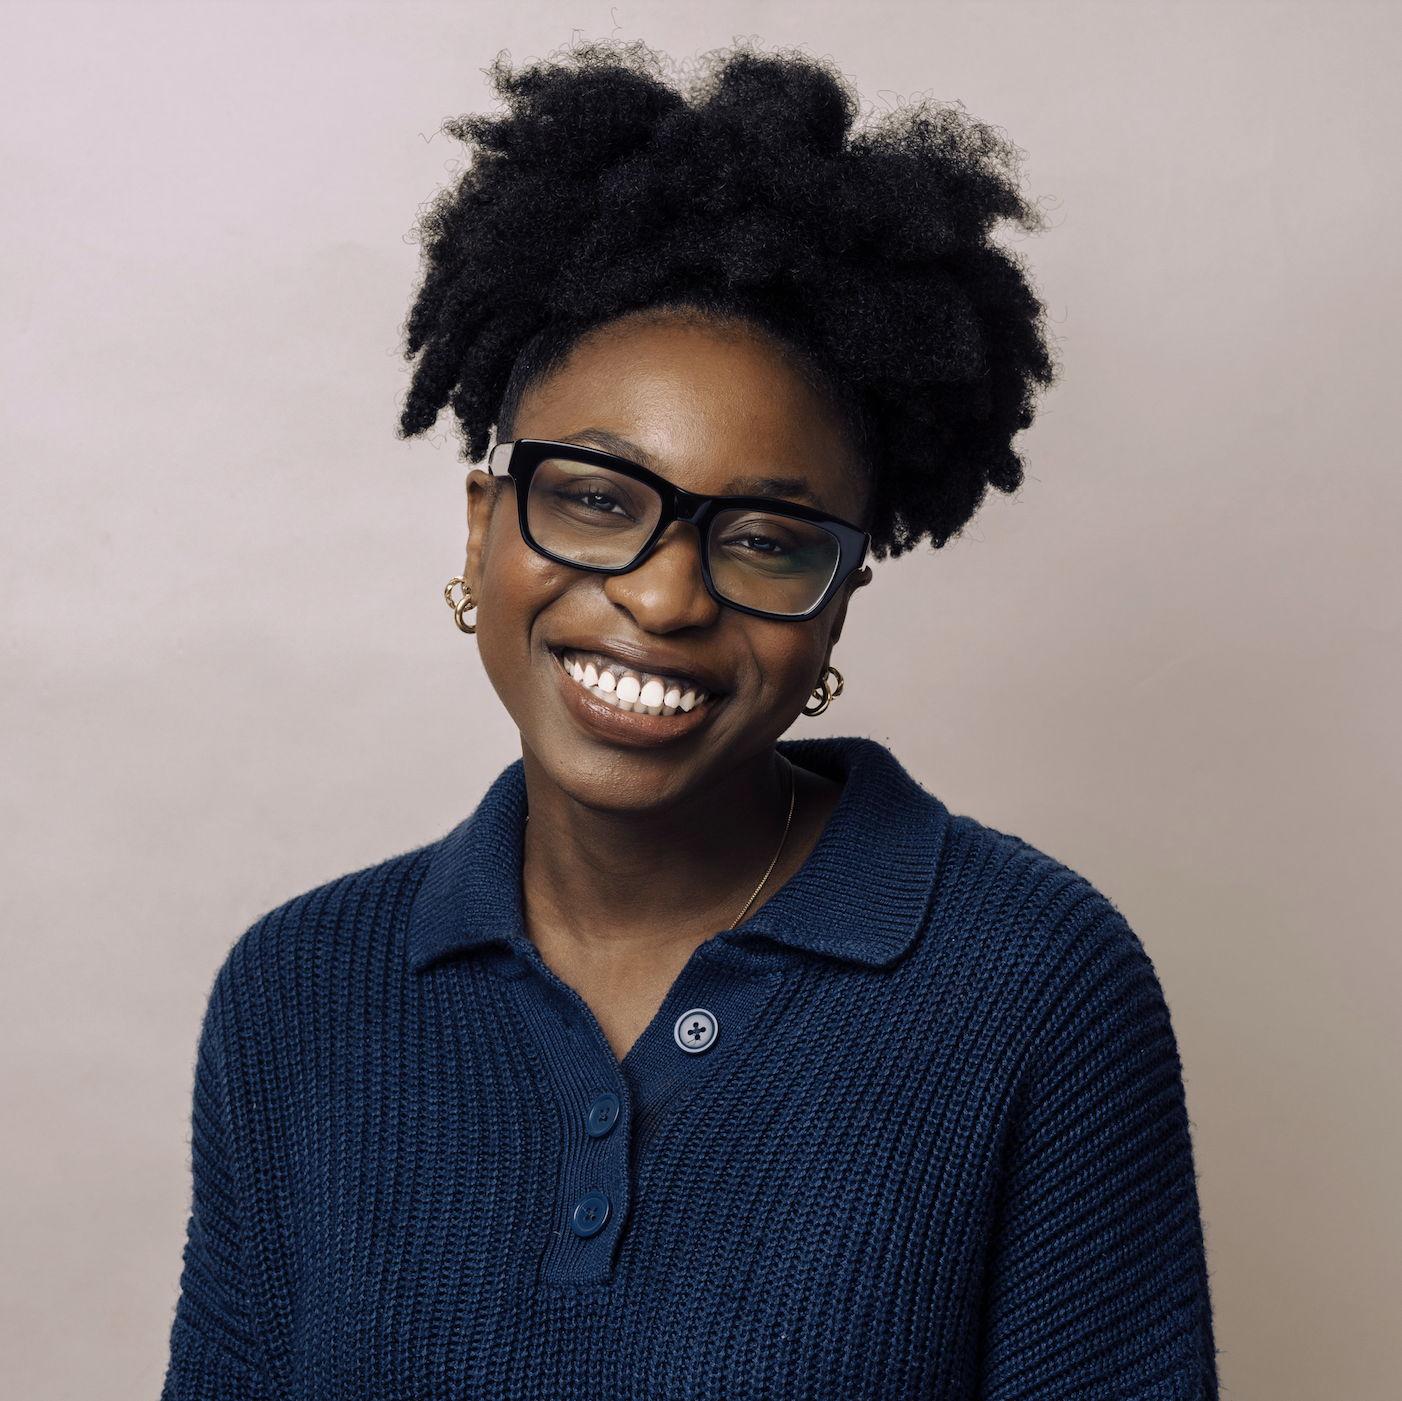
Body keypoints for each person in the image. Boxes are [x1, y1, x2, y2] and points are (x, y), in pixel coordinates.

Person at [160, 37, 1220, 1400]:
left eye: (765, 538)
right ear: (485, 525)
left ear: (838, 601)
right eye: (598, 499)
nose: (663, 599)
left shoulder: (1034, 985)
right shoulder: (299, 992)